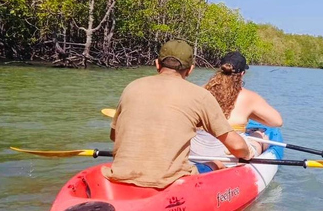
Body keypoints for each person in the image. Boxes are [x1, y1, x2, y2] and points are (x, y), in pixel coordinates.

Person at [104, 39, 253, 189]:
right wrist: (248, 154)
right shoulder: (200, 95)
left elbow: (115, 137)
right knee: (216, 163)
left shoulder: (132, 87)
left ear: (157, 64)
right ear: (190, 69)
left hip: (119, 174)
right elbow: (237, 146)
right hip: (168, 181)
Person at [191, 51, 283, 160]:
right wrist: (249, 113)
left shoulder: (199, 90)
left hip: (196, 151)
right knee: (260, 135)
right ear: (242, 74)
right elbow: (277, 122)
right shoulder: (248, 97)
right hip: (228, 153)